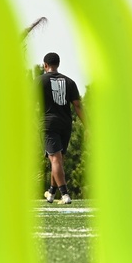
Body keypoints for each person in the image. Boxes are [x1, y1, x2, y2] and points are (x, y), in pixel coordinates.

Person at [40, 52, 85, 205]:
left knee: (55, 159)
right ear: (58, 64)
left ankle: (65, 194)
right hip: (65, 124)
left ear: (45, 65)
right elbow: (78, 105)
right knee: (58, 160)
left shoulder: (40, 81)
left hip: (48, 123)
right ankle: (52, 192)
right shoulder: (70, 82)